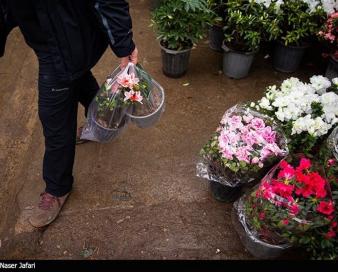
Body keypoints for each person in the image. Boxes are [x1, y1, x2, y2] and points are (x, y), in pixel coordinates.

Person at [0, 0, 138, 228]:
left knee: (55, 117)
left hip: (70, 35)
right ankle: (107, 117)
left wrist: (123, 44)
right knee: (74, 76)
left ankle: (57, 187)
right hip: (53, 35)